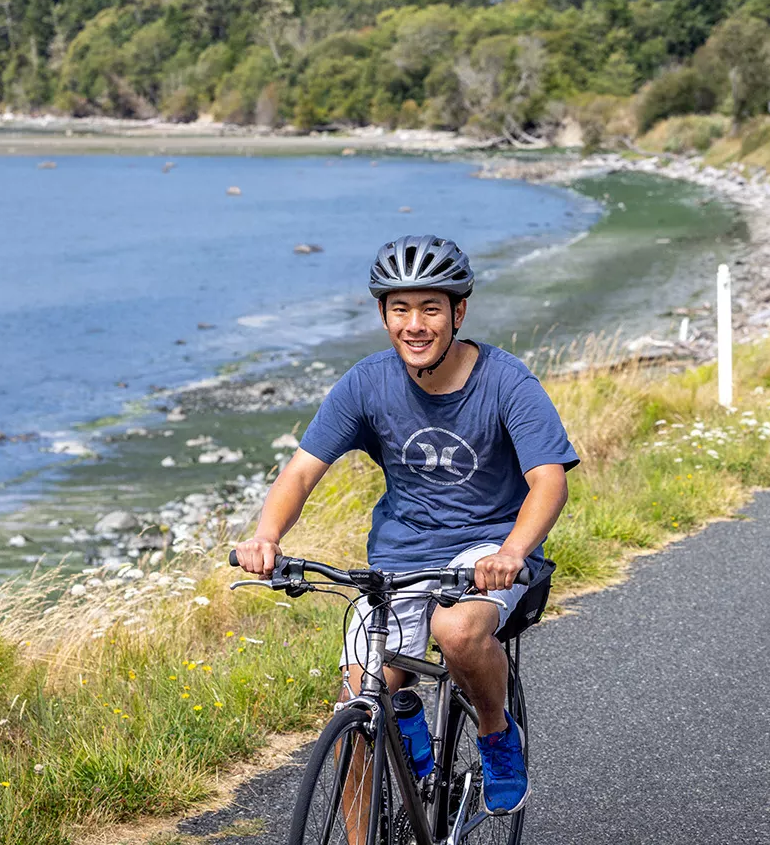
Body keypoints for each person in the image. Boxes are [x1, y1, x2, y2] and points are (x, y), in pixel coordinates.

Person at [234, 234, 576, 816]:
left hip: (488, 549)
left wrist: (514, 551)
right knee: (360, 706)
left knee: (457, 632)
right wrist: (267, 536)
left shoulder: (506, 381)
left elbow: (549, 480)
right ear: (383, 315)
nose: (415, 325)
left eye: (431, 308)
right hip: (399, 557)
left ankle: (495, 734)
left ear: (458, 312)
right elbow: (300, 473)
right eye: (400, 309)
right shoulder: (367, 382)